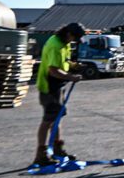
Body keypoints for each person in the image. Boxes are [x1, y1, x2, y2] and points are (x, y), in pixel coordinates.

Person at [32, 22, 86, 167]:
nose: (74, 41)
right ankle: (41, 154)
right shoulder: (55, 45)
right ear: (69, 33)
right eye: (74, 38)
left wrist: (74, 66)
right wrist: (72, 77)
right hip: (49, 86)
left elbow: (64, 61)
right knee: (48, 120)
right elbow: (53, 70)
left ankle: (57, 149)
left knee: (57, 118)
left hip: (58, 85)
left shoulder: (64, 43)